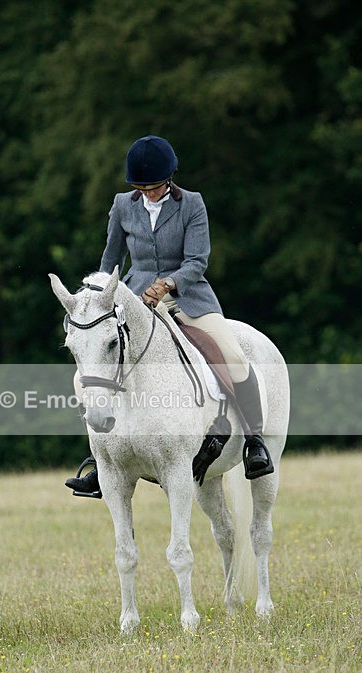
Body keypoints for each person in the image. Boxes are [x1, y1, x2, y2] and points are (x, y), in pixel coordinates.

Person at [66, 135, 273, 495]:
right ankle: (101, 462)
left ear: (169, 178)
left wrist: (167, 284)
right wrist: (100, 295)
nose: (147, 193)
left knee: (234, 357)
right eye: (140, 187)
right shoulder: (121, 205)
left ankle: (254, 441)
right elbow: (110, 261)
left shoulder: (192, 204)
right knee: (94, 367)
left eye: (154, 187)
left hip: (188, 298)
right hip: (135, 300)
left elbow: (197, 261)